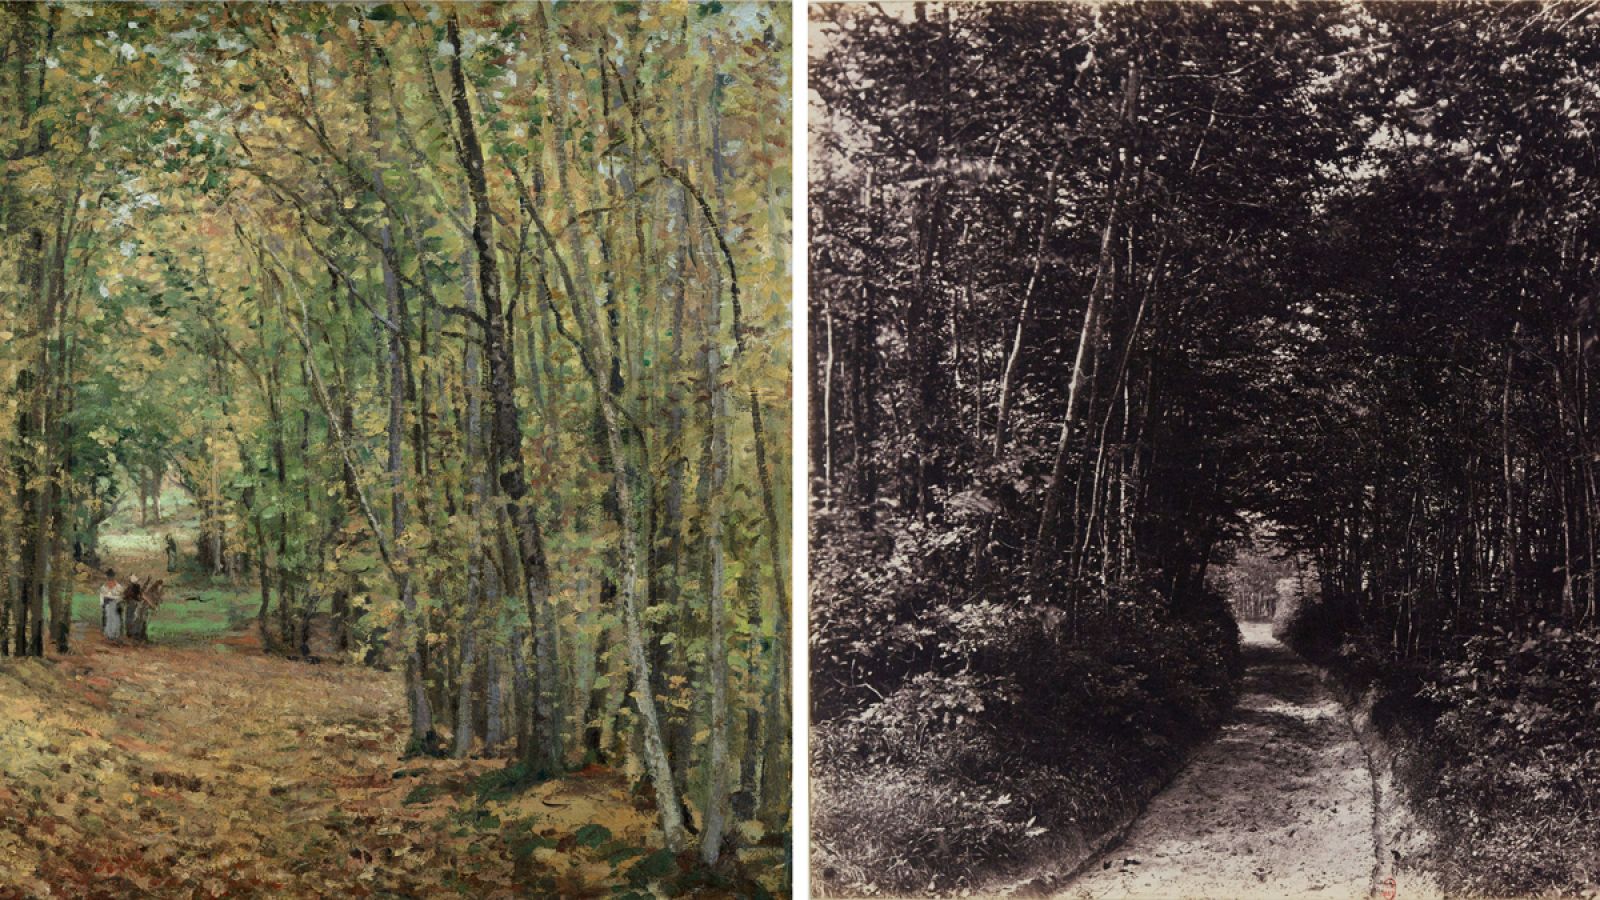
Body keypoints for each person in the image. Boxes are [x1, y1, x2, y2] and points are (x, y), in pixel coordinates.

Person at [100, 569, 125, 640]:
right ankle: (109, 635)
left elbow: (122, 596)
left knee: (116, 619)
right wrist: (102, 604)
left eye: (111, 576)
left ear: (113, 577)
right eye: (108, 576)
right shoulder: (104, 586)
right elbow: (102, 596)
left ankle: (115, 635)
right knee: (108, 619)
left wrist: (117, 601)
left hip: (115, 604)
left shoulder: (118, 586)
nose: (110, 577)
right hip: (107, 604)